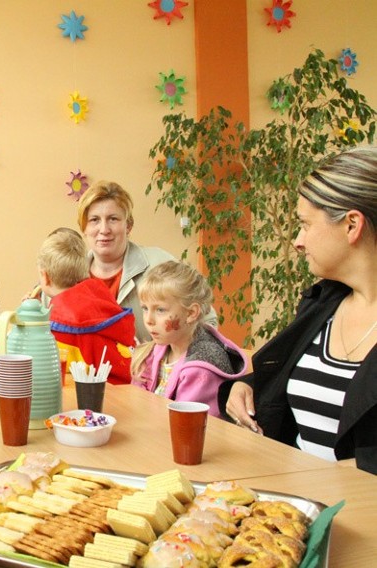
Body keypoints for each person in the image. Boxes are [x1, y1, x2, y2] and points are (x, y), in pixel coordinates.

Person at [221, 146, 377, 474]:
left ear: (352, 225)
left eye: (305, 224)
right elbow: (299, 375)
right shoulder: (321, 305)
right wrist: (248, 385)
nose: (297, 240)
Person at [76, 181, 216, 342]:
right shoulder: (69, 275)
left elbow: (208, 321)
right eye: (94, 220)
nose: (104, 229)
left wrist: (172, 362)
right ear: (84, 228)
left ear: (128, 226)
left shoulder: (161, 265)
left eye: (113, 219)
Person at [131, 261, 247, 415]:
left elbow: (186, 424)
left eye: (160, 310)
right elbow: (136, 399)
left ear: (191, 313)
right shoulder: (156, 351)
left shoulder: (201, 369)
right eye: (145, 308)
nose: (148, 319)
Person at [35, 230, 136, 385]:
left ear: (45, 277)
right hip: (131, 390)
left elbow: (43, 372)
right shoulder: (103, 300)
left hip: (92, 401)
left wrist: (29, 321)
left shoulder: (58, 325)